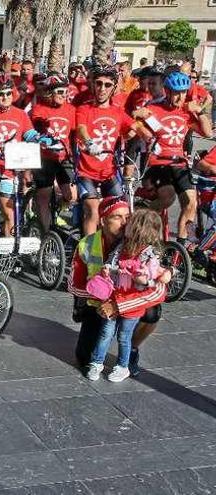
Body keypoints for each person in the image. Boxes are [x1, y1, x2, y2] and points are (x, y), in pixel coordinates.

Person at [69, 197, 169, 374]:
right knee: (84, 358)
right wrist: (102, 298)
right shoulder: (87, 244)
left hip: (129, 302)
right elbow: (73, 286)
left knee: (154, 312)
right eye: (117, 217)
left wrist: (119, 305)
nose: (124, 223)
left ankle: (131, 350)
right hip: (98, 304)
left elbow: (160, 290)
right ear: (102, 220)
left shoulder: (141, 242)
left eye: (127, 217)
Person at [134, 70, 212, 243]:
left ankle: (180, 249)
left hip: (179, 163)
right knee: (168, 197)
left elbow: (207, 132)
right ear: (167, 91)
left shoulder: (186, 112)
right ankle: (141, 216)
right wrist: (145, 132)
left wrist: (199, 110)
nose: (180, 97)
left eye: (183, 92)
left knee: (191, 203)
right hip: (158, 163)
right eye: (176, 93)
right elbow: (136, 121)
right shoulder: (154, 108)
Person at [0, 73, 47, 237]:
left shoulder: (20, 114)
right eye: (0, 94)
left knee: (9, 211)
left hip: (9, 167)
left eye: (8, 93)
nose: (4, 97)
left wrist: (41, 138)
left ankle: (9, 252)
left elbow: (30, 133)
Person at [75, 65, 142, 236]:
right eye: (98, 83)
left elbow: (134, 126)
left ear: (114, 88)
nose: (102, 88)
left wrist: (153, 140)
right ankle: (91, 257)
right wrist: (89, 143)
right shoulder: (84, 108)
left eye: (107, 85)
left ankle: (114, 249)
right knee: (93, 210)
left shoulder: (118, 111)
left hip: (108, 172)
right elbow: (81, 129)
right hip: (85, 172)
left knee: (122, 211)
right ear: (93, 85)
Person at [30, 73, 77, 232]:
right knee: (43, 196)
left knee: (71, 196)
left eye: (65, 91)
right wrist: (42, 127)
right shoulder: (39, 108)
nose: (63, 95)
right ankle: (48, 232)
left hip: (64, 158)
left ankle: (55, 209)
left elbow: (76, 133)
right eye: (59, 92)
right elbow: (36, 124)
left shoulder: (71, 110)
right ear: (50, 92)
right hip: (44, 158)